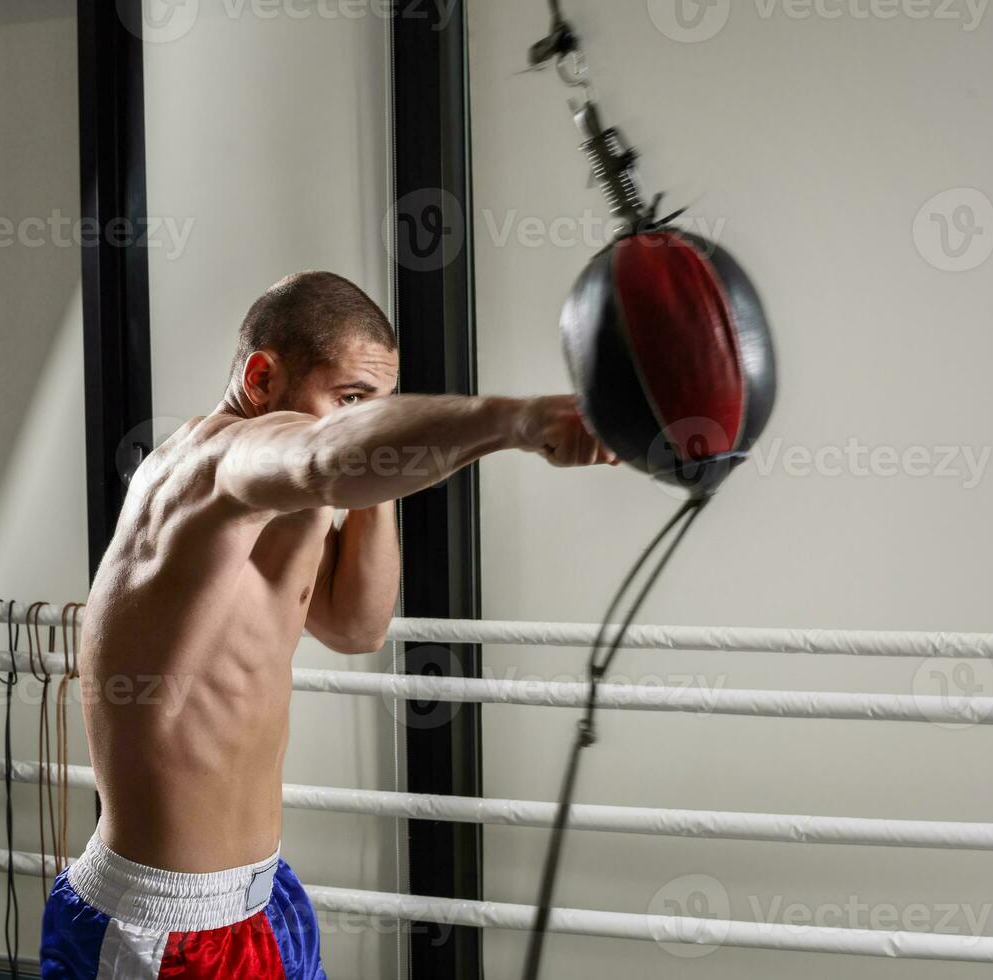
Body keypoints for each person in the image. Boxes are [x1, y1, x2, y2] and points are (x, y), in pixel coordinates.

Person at [40, 271, 613, 978]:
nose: (360, 421)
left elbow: (356, 626)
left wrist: (377, 474)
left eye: (375, 406)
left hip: (266, 900)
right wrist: (519, 422)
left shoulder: (298, 503)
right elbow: (318, 455)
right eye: (347, 400)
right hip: (162, 930)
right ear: (261, 377)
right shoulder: (210, 465)